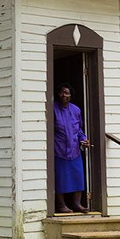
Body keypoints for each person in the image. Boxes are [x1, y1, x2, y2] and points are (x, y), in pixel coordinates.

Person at [53, 83, 90, 213]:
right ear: (58, 94)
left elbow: (79, 129)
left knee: (78, 176)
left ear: (71, 95)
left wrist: (83, 139)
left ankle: (77, 204)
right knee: (60, 178)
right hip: (59, 149)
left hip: (74, 150)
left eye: (67, 93)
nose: (64, 95)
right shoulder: (53, 108)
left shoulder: (75, 110)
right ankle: (61, 205)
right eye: (62, 92)